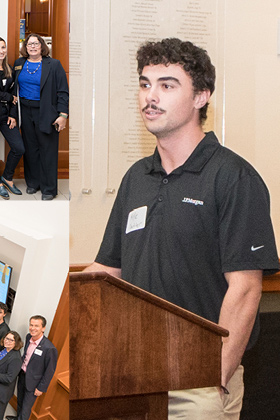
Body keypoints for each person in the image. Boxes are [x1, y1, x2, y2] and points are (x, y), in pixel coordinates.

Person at [86, 38, 278, 419]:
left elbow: (245, 289)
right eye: (144, 84)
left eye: (166, 85)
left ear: (201, 96)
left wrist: (215, 378)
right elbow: (109, 269)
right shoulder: (136, 178)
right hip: (131, 374)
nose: (150, 96)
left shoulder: (234, 178)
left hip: (198, 383)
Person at [13, 33, 68, 201]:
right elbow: (13, 86)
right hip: (25, 111)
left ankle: (49, 188)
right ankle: (33, 183)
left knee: (47, 150)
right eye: (30, 44)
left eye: (36, 43)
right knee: (30, 149)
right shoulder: (19, 64)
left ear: (42, 46)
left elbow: (63, 91)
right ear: (26, 47)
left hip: (46, 112)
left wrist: (63, 115)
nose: (33, 46)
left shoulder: (54, 65)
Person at [0, 36, 24, 199]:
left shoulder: (10, 68)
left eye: (3, 47)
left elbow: (14, 94)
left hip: (6, 115)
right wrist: (7, 98)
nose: (1, 51)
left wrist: (13, 115)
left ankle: (7, 178)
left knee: (19, 148)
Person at [17, 315, 57, 420]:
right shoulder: (28, 337)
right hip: (22, 375)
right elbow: (26, 355)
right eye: (31, 325)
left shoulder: (49, 348)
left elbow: (50, 370)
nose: (32, 328)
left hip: (34, 383)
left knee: (26, 408)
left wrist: (41, 388)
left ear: (43, 328)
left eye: (36, 326)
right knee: (19, 401)